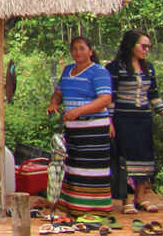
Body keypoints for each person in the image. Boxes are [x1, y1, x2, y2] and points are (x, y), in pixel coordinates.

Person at [48, 35, 116, 215]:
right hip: (73, 129)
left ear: (91, 52)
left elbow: (105, 99)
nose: (78, 52)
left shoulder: (99, 71)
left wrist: (79, 111)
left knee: (92, 169)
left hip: (93, 128)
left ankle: (95, 209)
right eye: (75, 49)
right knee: (74, 167)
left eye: (82, 48)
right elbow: (59, 91)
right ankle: (73, 207)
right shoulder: (68, 70)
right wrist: (54, 103)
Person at [108, 30, 163, 213]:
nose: (147, 50)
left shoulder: (149, 68)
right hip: (123, 119)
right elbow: (110, 97)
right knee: (124, 158)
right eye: (144, 46)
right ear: (130, 46)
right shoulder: (115, 68)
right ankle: (125, 201)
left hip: (143, 118)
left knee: (144, 156)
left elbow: (153, 94)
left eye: (149, 46)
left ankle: (141, 198)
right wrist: (109, 121)